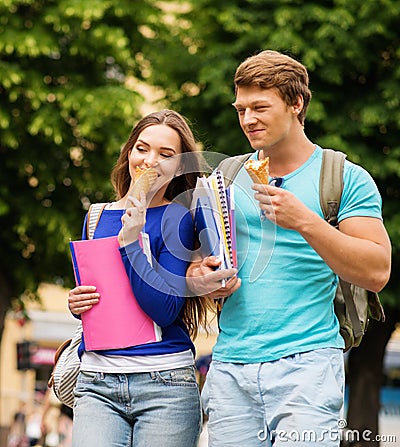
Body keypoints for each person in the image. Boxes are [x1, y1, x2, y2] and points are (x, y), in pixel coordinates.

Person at [186, 50, 392, 446]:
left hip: (308, 368)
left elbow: (377, 270)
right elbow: (198, 265)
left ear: (296, 104)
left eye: (260, 107)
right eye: (241, 109)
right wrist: (205, 278)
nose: (248, 120)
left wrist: (305, 221)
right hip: (230, 368)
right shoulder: (225, 176)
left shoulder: (344, 178)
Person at [67, 109, 211, 447]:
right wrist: (77, 303)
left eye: (166, 154)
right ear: (128, 152)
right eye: (142, 148)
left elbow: (163, 309)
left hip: (164, 385)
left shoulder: (178, 218)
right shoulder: (96, 216)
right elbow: (101, 298)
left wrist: (132, 242)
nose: (149, 161)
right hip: (97, 382)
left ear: (179, 167)